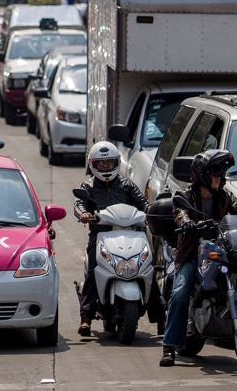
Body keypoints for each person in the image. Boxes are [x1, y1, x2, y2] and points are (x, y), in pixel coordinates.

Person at [160, 149, 237, 366]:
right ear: (202, 174)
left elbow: (235, 209)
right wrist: (186, 222)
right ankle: (169, 347)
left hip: (220, 250)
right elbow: (179, 211)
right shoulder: (185, 198)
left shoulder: (225, 197)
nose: (219, 177)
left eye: (221, 173)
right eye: (215, 173)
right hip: (193, 252)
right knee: (181, 290)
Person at [74, 142, 149, 337]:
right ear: (93, 165)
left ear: (116, 163)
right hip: (100, 235)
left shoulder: (127, 185)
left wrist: (152, 212)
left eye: (109, 163)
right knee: (92, 270)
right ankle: (86, 317)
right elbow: (80, 203)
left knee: (147, 266)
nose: (106, 168)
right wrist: (83, 213)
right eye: (102, 164)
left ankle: (161, 316)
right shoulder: (88, 186)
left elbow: (143, 203)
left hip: (129, 234)